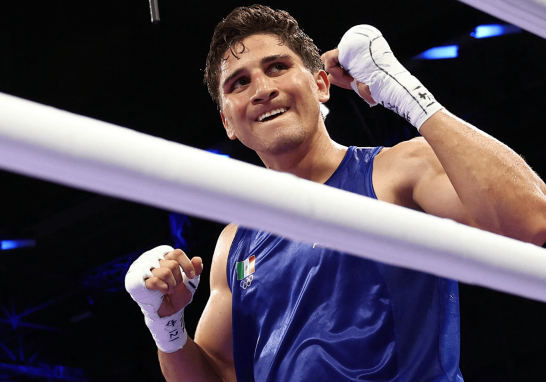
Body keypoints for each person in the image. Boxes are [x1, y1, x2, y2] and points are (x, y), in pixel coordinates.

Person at [125, 5, 546, 382]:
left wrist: (406, 92)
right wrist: (166, 325)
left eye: (276, 67)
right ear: (228, 124)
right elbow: (218, 374)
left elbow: (531, 222)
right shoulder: (234, 243)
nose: (261, 89)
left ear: (322, 84)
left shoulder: (398, 171)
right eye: (238, 82)